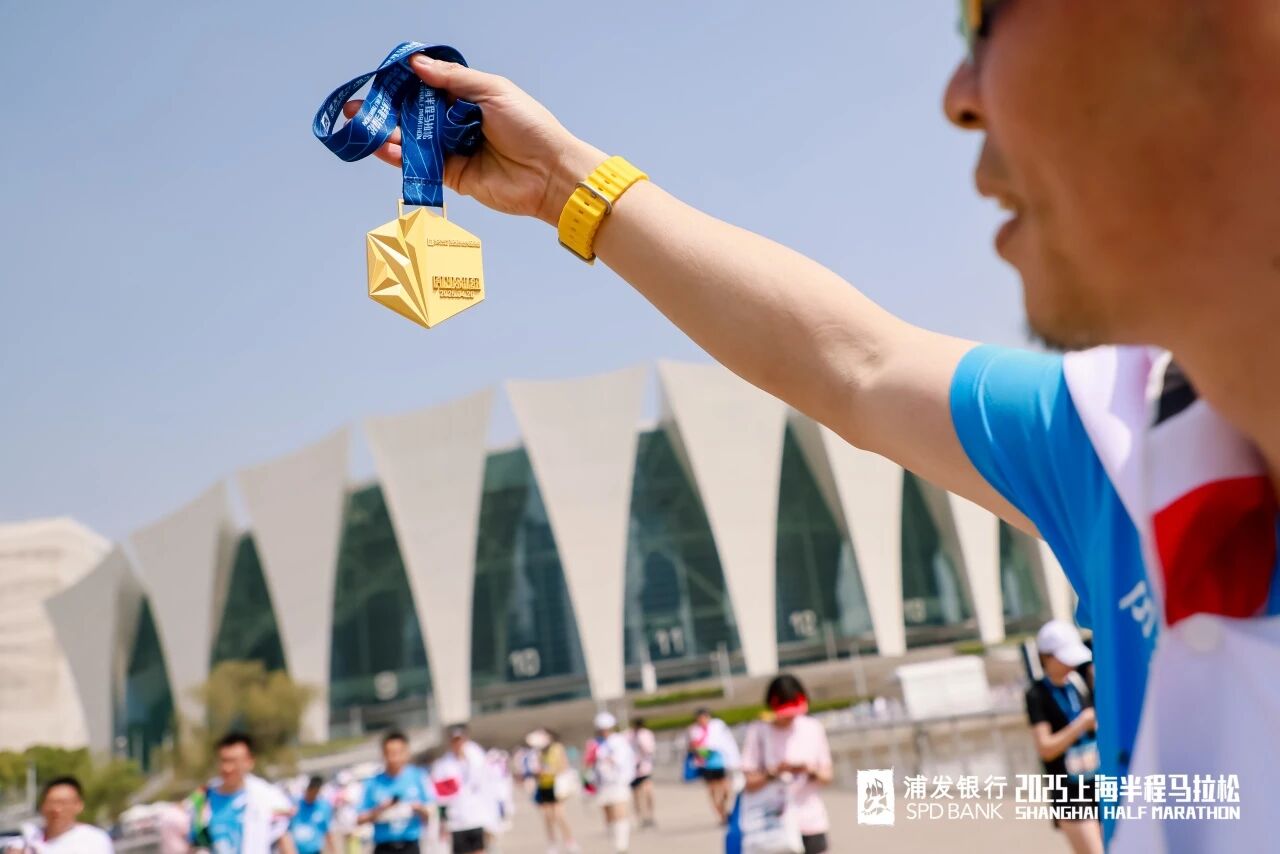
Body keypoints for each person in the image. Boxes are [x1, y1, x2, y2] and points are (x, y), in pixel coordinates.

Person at [338, 9, 1280, 846]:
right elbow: (853, 365)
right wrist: (559, 183)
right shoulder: (1120, 449)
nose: (961, 94)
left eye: (988, 18)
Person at [1027, 620, 1104, 854]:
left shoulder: (1081, 682)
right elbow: (1045, 747)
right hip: (1069, 792)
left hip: (1099, 784)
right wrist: (1080, 724)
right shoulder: (1037, 694)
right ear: (1047, 657)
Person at [738, 675, 834, 854]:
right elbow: (749, 782)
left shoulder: (812, 728)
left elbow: (827, 775)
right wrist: (773, 774)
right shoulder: (758, 731)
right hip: (772, 824)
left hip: (811, 820)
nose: (790, 719)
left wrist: (809, 770)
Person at [188, 732, 296, 854]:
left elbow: (284, 841)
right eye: (223, 761)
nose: (227, 768)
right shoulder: (204, 797)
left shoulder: (269, 798)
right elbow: (195, 843)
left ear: (249, 762)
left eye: (233, 761)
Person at [359, 731, 435, 854]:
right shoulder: (373, 783)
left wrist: (418, 808)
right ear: (383, 754)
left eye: (398, 752)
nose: (394, 758)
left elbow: (431, 811)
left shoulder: (418, 776)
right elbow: (359, 818)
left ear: (406, 752)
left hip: (410, 844)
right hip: (384, 845)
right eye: (390, 753)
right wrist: (381, 809)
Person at [429, 724, 494, 854]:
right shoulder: (442, 766)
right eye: (455, 740)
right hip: (456, 821)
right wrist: (442, 823)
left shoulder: (477, 759)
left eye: (460, 740)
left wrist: (492, 819)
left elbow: (488, 789)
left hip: (476, 818)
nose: (458, 744)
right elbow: (440, 799)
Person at [5, 776, 114, 853]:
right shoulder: (27, 837)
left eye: (64, 803)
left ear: (79, 805)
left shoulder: (93, 840)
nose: (57, 809)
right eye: (51, 802)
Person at [583, 713, 635, 854]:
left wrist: (605, 758)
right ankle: (614, 844)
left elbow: (622, 760)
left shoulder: (619, 741)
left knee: (620, 812)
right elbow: (588, 763)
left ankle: (621, 846)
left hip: (618, 782)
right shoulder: (594, 743)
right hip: (601, 784)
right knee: (608, 815)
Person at [526, 729, 579, 854]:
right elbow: (535, 769)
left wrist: (549, 770)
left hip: (556, 785)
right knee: (548, 817)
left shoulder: (557, 748)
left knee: (560, 815)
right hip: (544, 786)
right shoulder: (538, 752)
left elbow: (564, 766)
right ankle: (552, 843)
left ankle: (569, 841)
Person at [685, 708, 737, 823]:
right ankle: (721, 813)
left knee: (726, 789)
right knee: (712, 790)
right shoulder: (694, 731)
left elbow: (726, 743)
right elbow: (691, 747)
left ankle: (725, 808)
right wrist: (698, 749)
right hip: (706, 764)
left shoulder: (717, 727)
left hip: (720, 762)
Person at [290, 776, 335, 854]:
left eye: (316, 791)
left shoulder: (323, 807)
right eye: (310, 790)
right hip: (296, 850)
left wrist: (334, 851)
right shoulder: (294, 804)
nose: (312, 794)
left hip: (315, 851)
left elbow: (328, 831)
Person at [625, 718, 657, 829]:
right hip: (632, 770)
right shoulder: (627, 735)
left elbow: (650, 749)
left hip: (644, 768)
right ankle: (640, 817)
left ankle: (650, 815)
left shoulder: (646, 734)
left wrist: (641, 742)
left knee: (648, 791)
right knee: (636, 795)